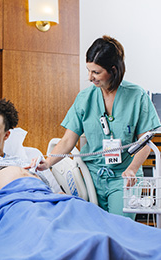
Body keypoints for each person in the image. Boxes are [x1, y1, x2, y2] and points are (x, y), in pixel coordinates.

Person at [31, 35, 161, 219]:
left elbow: (146, 142)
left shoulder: (136, 96)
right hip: (91, 176)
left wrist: (132, 169)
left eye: (96, 72)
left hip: (124, 177)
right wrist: (48, 162)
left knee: (118, 228)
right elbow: (68, 140)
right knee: (92, 229)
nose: (90, 77)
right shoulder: (84, 98)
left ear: (113, 70)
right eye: (89, 70)